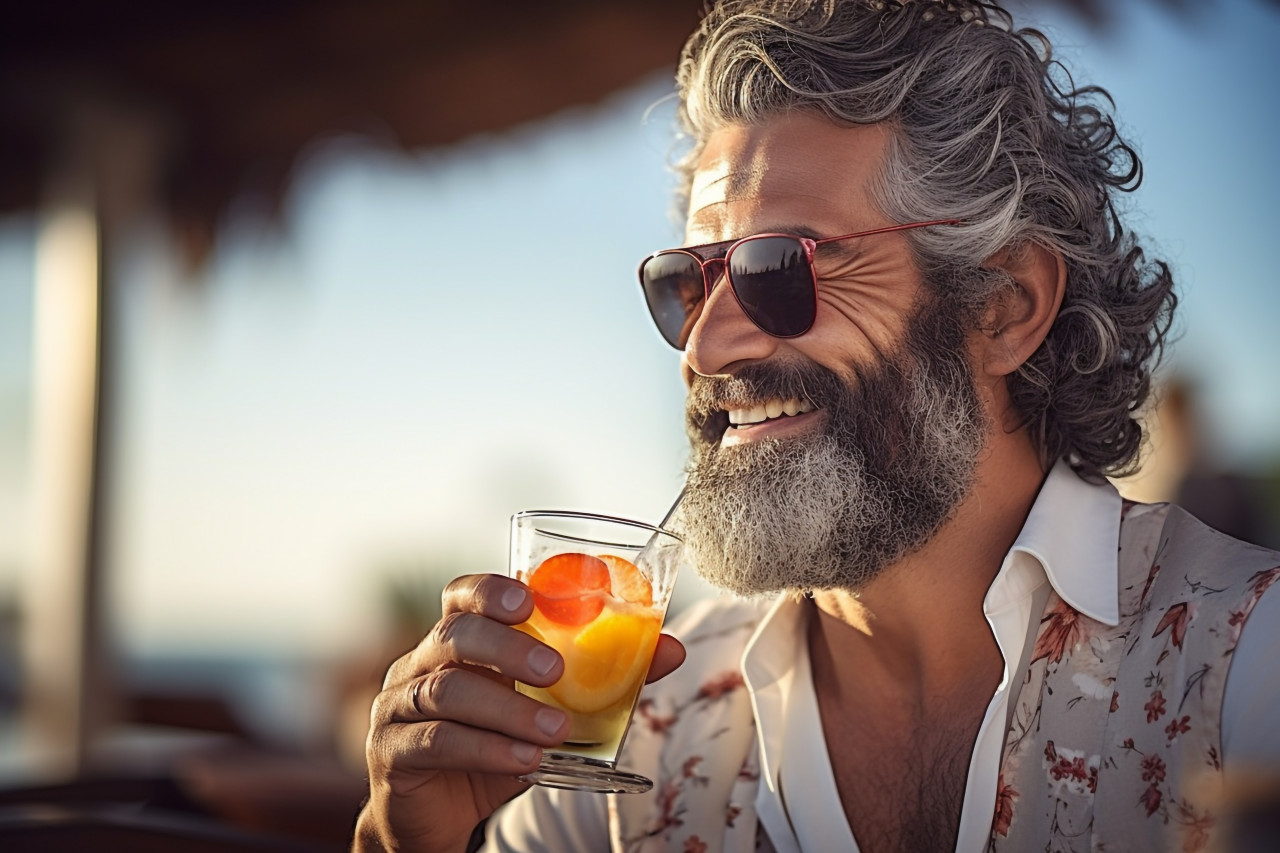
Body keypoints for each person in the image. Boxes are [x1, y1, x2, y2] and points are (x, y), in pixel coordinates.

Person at [353, 1, 1280, 851]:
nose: (705, 347)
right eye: (689, 283)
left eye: (778, 269)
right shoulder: (636, 734)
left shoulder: (1247, 665)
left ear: (1005, 305)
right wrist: (408, 840)